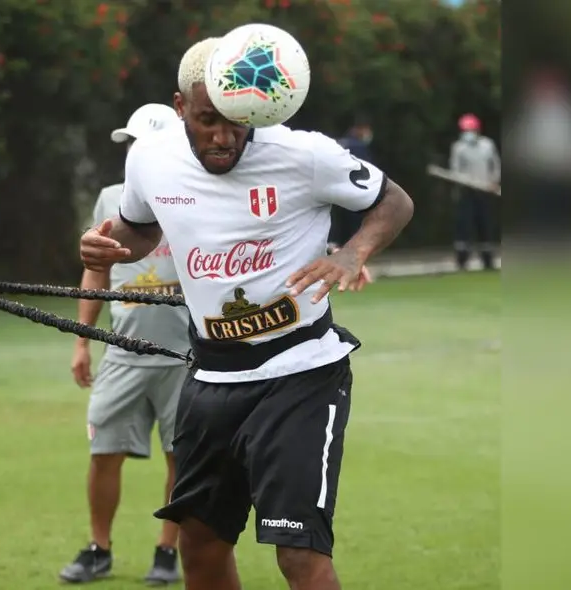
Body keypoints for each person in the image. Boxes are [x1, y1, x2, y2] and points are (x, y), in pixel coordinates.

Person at [79, 37, 414, 590]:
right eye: (208, 119)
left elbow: (393, 199)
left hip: (300, 373)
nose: (223, 135)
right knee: (201, 545)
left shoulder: (303, 154)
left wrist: (354, 252)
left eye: (238, 120)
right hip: (210, 377)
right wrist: (107, 249)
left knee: (297, 552)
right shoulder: (149, 158)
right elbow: (139, 228)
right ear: (180, 106)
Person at [59, 102, 187, 586]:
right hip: (122, 352)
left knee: (183, 459)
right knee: (103, 452)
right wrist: (82, 342)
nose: (134, 154)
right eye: (131, 145)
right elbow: (96, 269)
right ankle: (99, 549)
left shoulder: (194, 197)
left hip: (185, 356)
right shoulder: (111, 199)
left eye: (142, 145)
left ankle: (167, 552)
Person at [449, 113, 501, 270]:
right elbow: (455, 169)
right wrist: (462, 181)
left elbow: (496, 166)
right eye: (465, 130)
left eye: (470, 129)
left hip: (485, 190)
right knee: (464, 225)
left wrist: (494, 181)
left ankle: (487, 260)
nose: (468, 133)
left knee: (485, 224)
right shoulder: (458, 148)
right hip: (467, 191)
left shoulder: (488, 145)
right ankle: (462, 260)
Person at [328, 116, 374, 250]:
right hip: (352, 192)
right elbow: (366, 170)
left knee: (336, 226)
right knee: (354, 229)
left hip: (331, 192)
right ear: (360, 129)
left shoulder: (339, 143)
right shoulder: (358, 146)